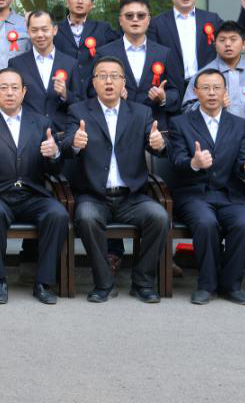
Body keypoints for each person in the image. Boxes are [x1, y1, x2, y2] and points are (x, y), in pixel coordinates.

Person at [61, 56, 170, 304]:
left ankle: (142, 282)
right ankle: (103, 284)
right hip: (93, 195)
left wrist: (159, 144)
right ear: (93, 82)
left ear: (123, 83)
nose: (108, 81)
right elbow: (66, 146)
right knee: (87, 218)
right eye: (102, 76)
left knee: (159, 217)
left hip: (131, 197)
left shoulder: (141, 112)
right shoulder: (79, 111)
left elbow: (159, 146)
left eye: (114, 76)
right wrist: (75, 144)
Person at [0, 68, 69, 305]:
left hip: (32, 194)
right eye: (3, 88)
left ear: (23, 92)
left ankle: (43, 283)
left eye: (14, 88)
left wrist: (54, 153)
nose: (9, 93)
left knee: (58, 214)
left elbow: (54, 170)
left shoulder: (41, 122)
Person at [167, 69, 245, 305]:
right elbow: (176, 160)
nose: (211, 93)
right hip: (194, 194)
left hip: (229, 194)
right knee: (206, 223)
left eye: (217, 88)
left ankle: (232, 285)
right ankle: (207, 285)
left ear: (225, 91)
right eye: (205, 88)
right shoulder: (180, 123)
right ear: (196, 92)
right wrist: (194, 163)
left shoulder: (239, 125)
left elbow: (241, 164)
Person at [91, 0, 183, 131]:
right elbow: (91, 90)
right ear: (120, 20)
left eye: (141, 15)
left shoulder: (164, 53)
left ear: (149, 20)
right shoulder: (104, 53)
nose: (135, 19)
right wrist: (110, 93)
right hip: (116, 126)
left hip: (154, 126)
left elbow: (176, 92)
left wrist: (164, 97)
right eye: (129, 16)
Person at [148, 0, 245, 83]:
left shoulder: (211, 19)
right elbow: (152, 58)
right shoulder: (157, 24)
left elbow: (236, 35)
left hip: (206, 85)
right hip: (171, 87)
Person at [180, 20, 245, 128]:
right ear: (215, 44)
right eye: (222, 40)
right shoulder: (202, 76)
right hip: (214, 135)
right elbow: (187, 110)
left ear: (244, 44)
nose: (228, 44)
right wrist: (211, 106)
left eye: (233, 39)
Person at [53, 0, 120, 64]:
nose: (80, 1)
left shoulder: (103, 29)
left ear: (91, 5)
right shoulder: (54, 29)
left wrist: (124, 5)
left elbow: (122, 43)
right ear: (67, 3)